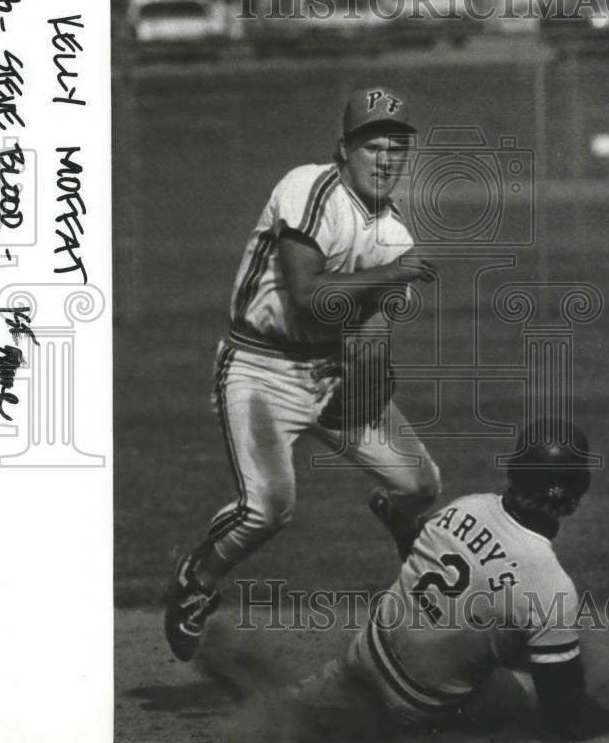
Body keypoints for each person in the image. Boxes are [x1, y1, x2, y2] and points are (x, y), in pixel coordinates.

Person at [165, 87, 441, 661]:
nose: (385, 158)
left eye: (397, 146)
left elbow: (371, 324)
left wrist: (370, 356)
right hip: (259, 369)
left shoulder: (395, 235)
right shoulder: (309, 188)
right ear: (344, 150)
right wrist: (394, 276)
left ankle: (392, 512)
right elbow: (309, 294)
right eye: (372, 145)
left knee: (420, 484)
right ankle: (197, 579)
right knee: (267, 508)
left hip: (330, 372)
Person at [293, 418, 609, 740]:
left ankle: (295, 702)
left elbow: (426, 561)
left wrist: (401, 531)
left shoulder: (466, 506)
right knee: (543, 684)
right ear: (571, 500)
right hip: (417, 707)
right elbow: (565, 720)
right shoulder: (549, 583)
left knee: (504, 629)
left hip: (363, 655)